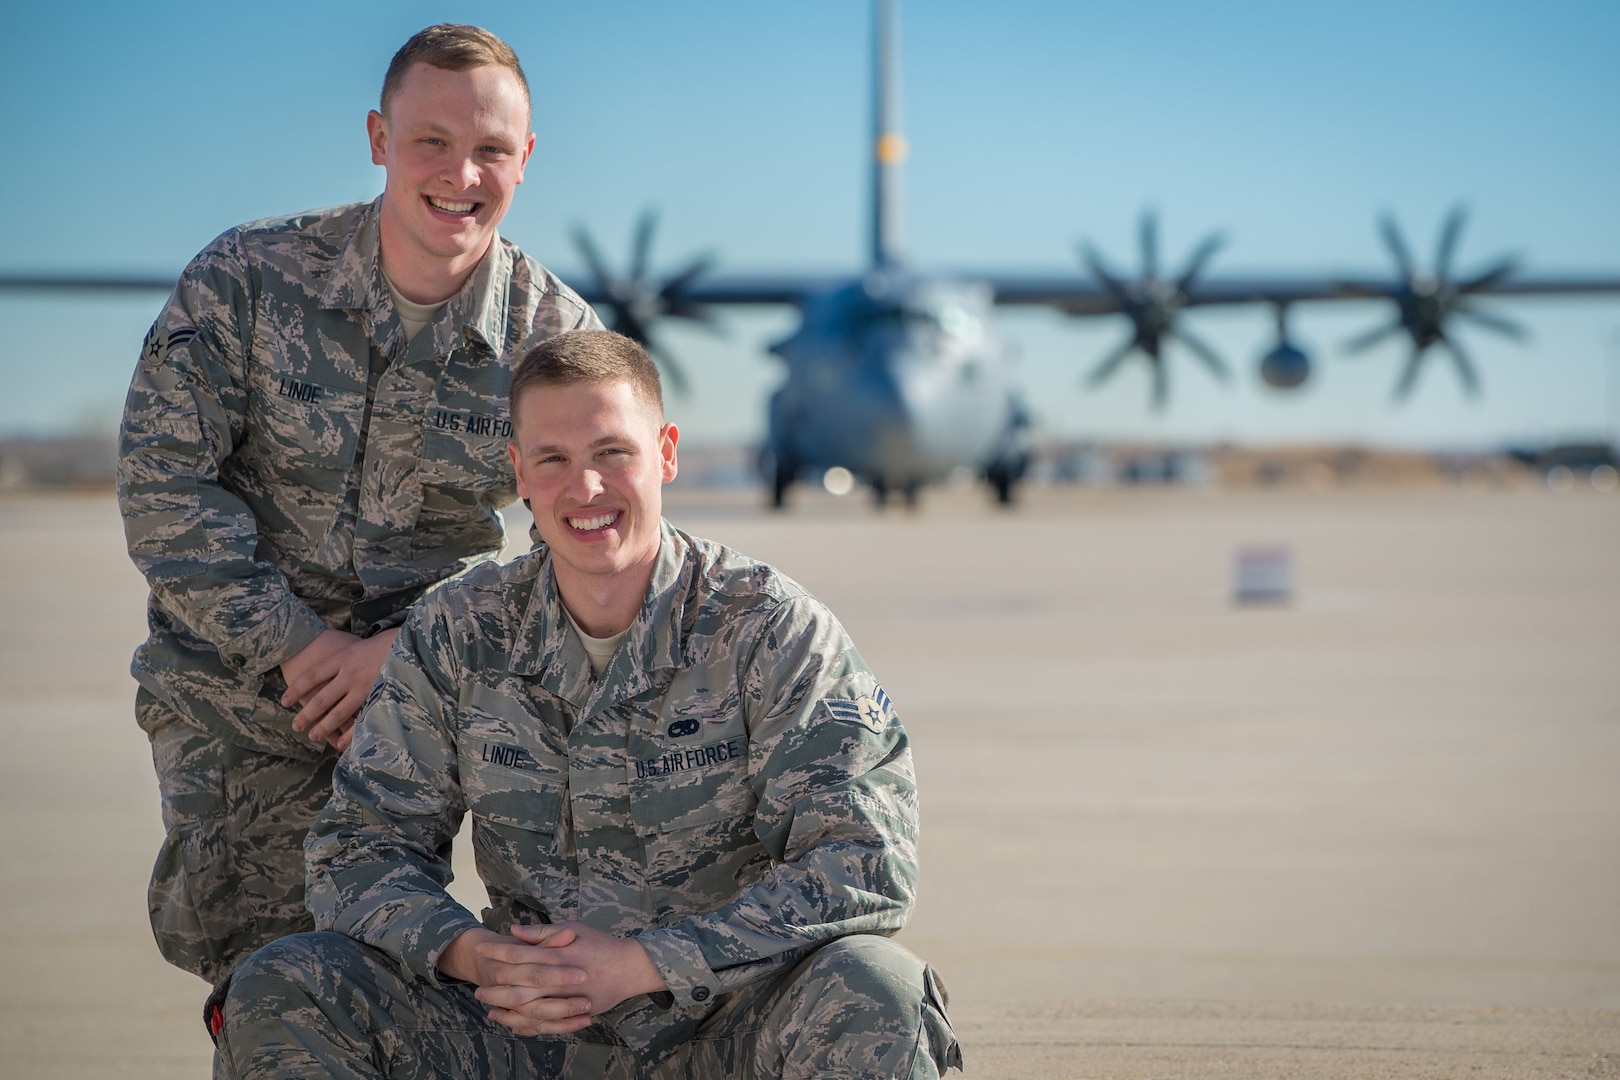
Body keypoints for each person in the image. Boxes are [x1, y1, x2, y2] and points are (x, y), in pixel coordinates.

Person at [216, 330, 962, 1078]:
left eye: (613, 452)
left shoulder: (770, 629)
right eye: (554, 460)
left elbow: (862, 860)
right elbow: (358, 849)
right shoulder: (460, 631)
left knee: (876, 988)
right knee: (287, 984)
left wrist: (646, 964)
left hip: (729, 1030)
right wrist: (479, 957)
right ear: (519, 472)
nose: (587, 489)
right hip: (524, 1031)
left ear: (665, 453)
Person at [116, 22, 601, 1019]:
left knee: (496, 951)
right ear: (380, 138)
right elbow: (165, 481)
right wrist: (299, 647)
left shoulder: (557, 344)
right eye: (431, 141)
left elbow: (591, 541)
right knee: (271, 966)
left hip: (437, 696)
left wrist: (406, 652)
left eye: (492, 150)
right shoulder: (247, 282)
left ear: (528, 159)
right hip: (244, 692)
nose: (461, 173)